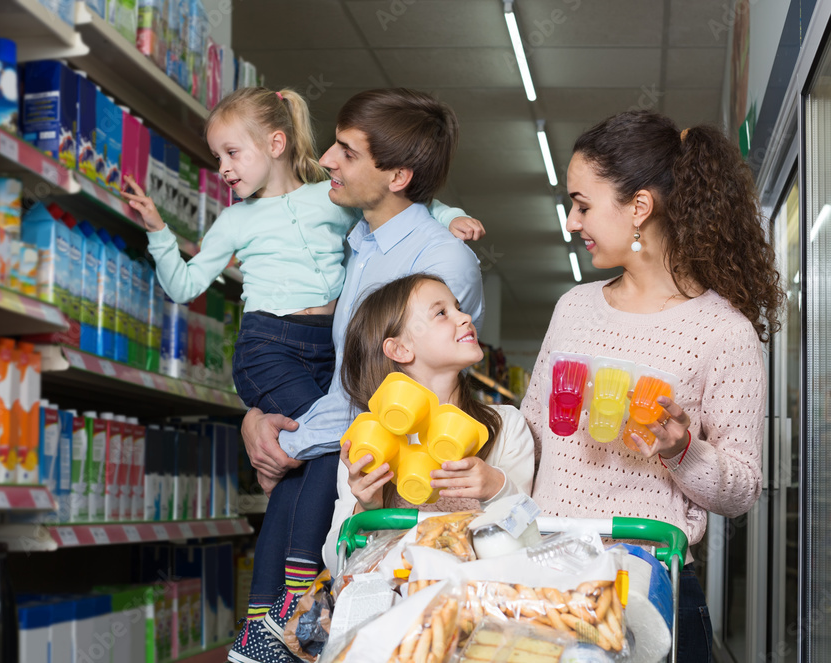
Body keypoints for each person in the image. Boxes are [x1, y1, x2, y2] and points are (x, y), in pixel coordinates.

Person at [520, 110, 784, 662]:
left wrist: (682, 448)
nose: (572, 221)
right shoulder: (574, 308)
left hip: (650, 589)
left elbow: (741, 491)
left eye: (583, 205)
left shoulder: (723, 332)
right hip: (546, 574)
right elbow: (529, 439)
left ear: (639, 207)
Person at [237, 89, 486, 663]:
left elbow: (389, 394)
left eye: (347, 152)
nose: (326, 159)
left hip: (397, 492)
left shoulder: (441, 264)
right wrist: (261, 420)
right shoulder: (361, 245)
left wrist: (287, 443)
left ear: (398, 175)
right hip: (348, 469)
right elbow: (343, 383)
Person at [122, 87, 481, 428]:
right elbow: (183, 287)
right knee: (321, 441)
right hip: (268, 344)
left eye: (232, 153)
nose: (223, 169)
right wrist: (158, 232)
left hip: (325, 345)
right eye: (218, 158)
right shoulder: (233, 220)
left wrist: (451, 217)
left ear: (276, 144)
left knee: (329, 437)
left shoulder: (333, 196)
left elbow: (403, 203)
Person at [322, 273, 535, 568]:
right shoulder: (369, 440)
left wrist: (497, 488)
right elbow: (336, 565)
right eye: (441, 313)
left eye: (458, 307)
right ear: (400, 349)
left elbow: (529, 540)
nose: (465, 317)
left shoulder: (506, 425)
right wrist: (367, 508)